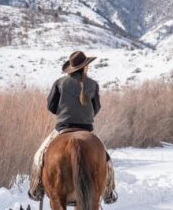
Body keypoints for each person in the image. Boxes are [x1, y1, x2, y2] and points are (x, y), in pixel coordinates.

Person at [28, 51, 118, 204]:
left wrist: (64, 111)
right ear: (85, 67)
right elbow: (96, 108)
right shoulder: (93, 84)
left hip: (63, 128)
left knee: (38, 156)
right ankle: (109, 192)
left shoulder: (59, 83)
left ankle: (36, 188)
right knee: (107, 161)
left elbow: (51, 106)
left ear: (71, 68)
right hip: (86, 130)